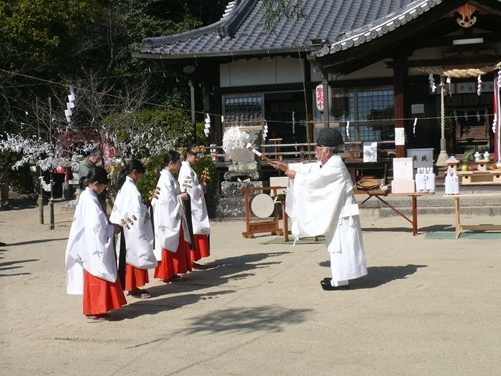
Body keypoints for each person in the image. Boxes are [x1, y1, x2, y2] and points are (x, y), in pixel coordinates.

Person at [272, 128, 367, 290]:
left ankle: (340, 281)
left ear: (326, 151)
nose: (316, 153)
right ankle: (339, 278)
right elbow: (312, 169)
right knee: (336, 246)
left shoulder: (335, 166)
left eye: (318, 149)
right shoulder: (331, 163)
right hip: (339, 213)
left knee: (340, 246)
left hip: (343, 215)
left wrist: (297, 177)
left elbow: (316, 180)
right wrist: (286, 166)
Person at [65, 166, 126, 321]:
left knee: (95, 275)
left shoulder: (88, 197)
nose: (104, 189)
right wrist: (112, 229)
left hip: (89, 243)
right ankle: (97, 309)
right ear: (97, 183)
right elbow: (96, 226)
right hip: (93, 244)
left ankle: (98, 308)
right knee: (98, 274)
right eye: (104, 185)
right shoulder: (90, 201)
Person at [109, 159, 157, 299]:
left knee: (128, 256)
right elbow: (136, 211)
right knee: (135, 255)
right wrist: (145, 208)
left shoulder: (125, 187)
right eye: (140, 174)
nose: (141, 178)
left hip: (125, 226)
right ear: (135, 173)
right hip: (132, 227)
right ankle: (133, 287)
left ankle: (132, 286)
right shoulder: (131, 189)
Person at [151, 151, 192, 282]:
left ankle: (173, 271)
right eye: (178, 162)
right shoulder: (165, 179)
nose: (180, 164)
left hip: (173, 215)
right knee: (168, 243)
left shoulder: (167, 177)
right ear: (171, 163)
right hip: (167, 217)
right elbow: (167, 201)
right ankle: (167, 273)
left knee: (176, 243)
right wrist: (181, 197)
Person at [178, 145, 211, 269]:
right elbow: (189, 188)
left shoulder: (188, 168)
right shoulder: (186, 170)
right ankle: (191, 258)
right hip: (191, 204)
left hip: (193, 203)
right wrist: (200, 187)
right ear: (189, 155)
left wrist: (199, 185)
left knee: (196, 229)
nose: (197, 158)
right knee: (193, 229)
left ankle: (194, 258)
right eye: (195, 155)